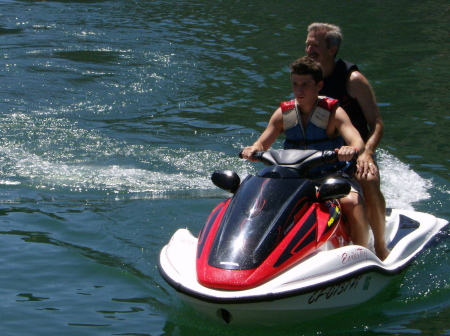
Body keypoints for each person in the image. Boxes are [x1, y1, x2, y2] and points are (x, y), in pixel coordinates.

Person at [241, 57, 369, 249]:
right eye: (295, 84)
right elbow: (262, 143)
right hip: (294, 179)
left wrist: (350, 149)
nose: (299, 90)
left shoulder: (334, 112)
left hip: (331, 176)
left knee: (351, 202)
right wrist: (253, 149)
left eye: (305, 85)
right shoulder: (284, 113)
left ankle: (363, 251)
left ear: (319, 85)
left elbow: (357, 140)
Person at [305, 23, 389, 260]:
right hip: (322, 152)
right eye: (307, 45)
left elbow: (377, 123)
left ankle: (380, 247)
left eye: (315, 46)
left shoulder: (353, 79)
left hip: (356, 151)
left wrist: (366, 153)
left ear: (332, 49)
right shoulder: (307, 78)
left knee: (368, 179)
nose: (309, 50)